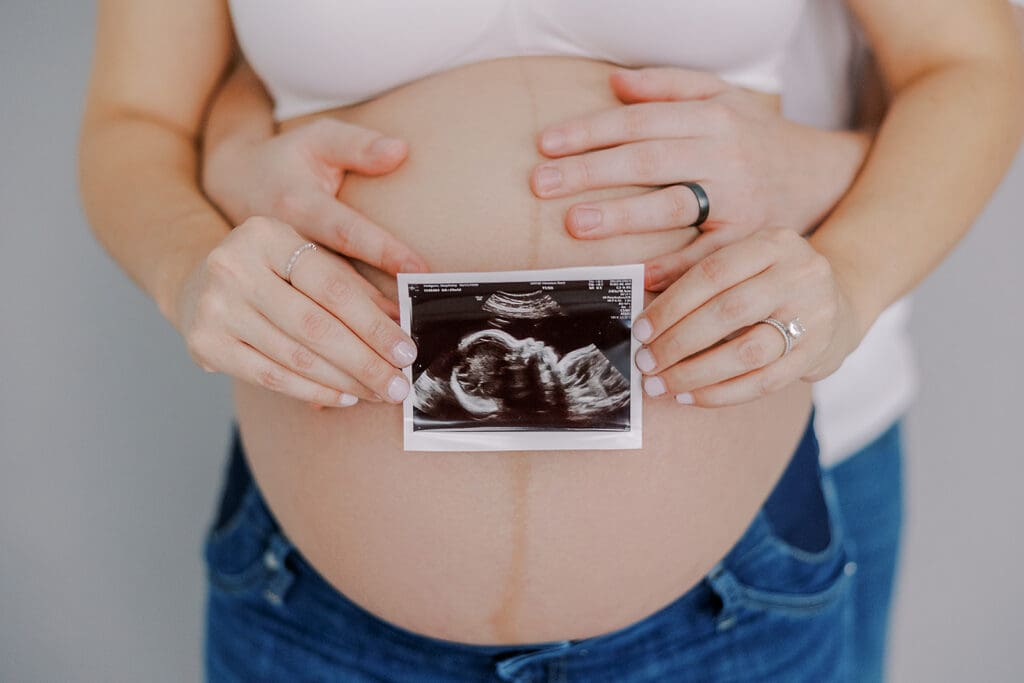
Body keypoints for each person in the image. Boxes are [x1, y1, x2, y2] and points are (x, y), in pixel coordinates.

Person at [79, 1, 1024, 680]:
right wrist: (189, 266)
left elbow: (971, 60)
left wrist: (850, 276)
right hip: (321, 601)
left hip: (731, 577)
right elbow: (137, 117)